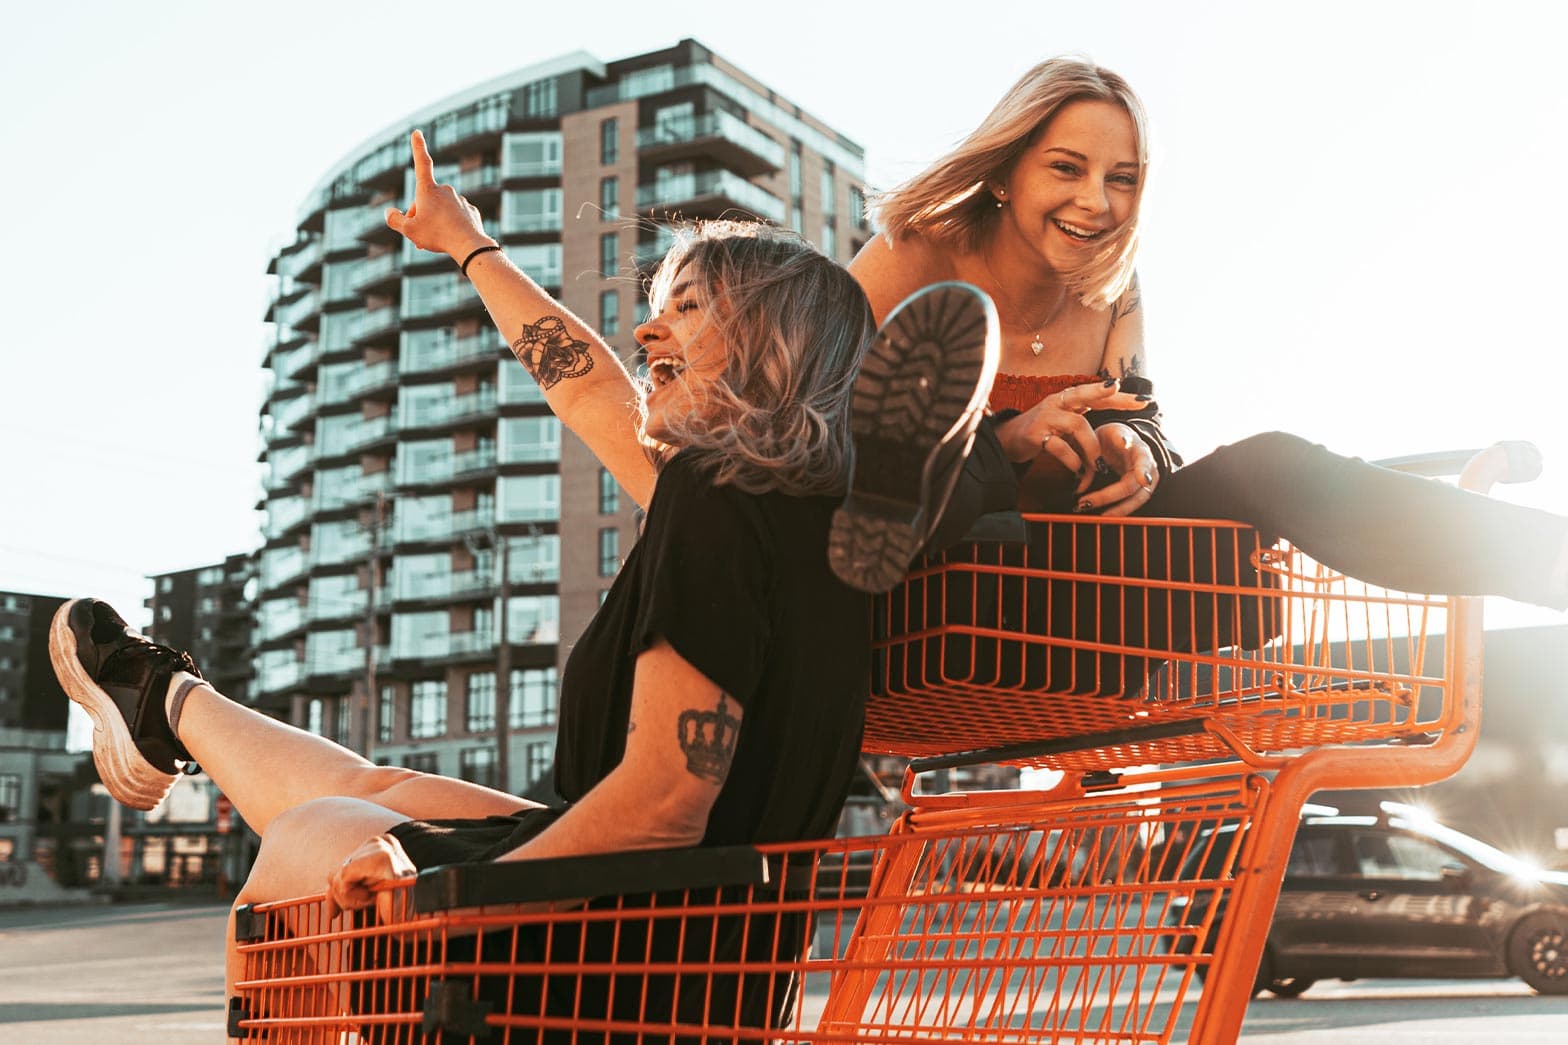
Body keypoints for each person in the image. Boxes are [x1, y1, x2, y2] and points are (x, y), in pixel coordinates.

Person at [50, 131, 990, 1041]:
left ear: (774, 345)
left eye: (691, 307)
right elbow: (585, 386)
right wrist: (466, 243)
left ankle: (168, 707)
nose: (647, 326)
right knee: (378, 790)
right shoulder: (807, 519)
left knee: (317, 836)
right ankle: (160, 699)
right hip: (711, 962)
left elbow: (667, 806)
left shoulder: (719, 494)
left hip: (619, 971)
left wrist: (456, 909)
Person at [829, 57, 1568, 638]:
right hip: (945, 596)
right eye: (1066, 167)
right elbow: (816, 423)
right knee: (941, 494)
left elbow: (1143, 414)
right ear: (1003, 171)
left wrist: (1134, 445)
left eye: (1122, 180)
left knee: (1268, 466)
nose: (1099, 203)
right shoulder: (913, 257)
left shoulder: (1111, 287)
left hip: (1082, 593)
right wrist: (1005, 439)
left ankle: (1552, 564)